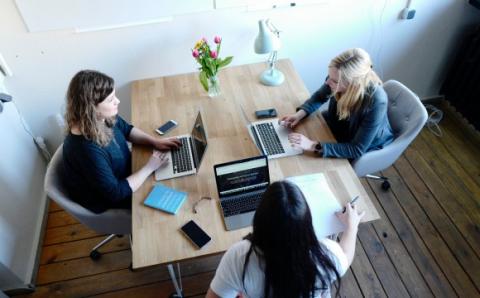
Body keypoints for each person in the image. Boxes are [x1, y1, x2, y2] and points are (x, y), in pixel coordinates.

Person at [206, 180, 364, 298]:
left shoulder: (239, 257)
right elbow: (345, 255)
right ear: (306, 223)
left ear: (259, 220)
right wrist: (352, 226)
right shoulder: (325, 255)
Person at [62, 70, 181, 213]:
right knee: (176, 189)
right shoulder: (86, 150)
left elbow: (126, 129)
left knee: (175, 174)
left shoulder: (99, 118)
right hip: (111, 199)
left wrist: (154, 142)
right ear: (91, 108)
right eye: (111, 100)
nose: (117, 101)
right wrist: (149, 168)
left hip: (127, 173)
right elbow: (115, 193)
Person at [281, 48, 394, 159]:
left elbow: (356, 149)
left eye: (334, 81)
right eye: (329, 76)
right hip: (339, 124)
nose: (327, 82)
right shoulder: (336, 77)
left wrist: (312, 145)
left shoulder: (377, 102)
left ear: (354, 84)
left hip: (359, 142)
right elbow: (320, 97)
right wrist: (299, 114)